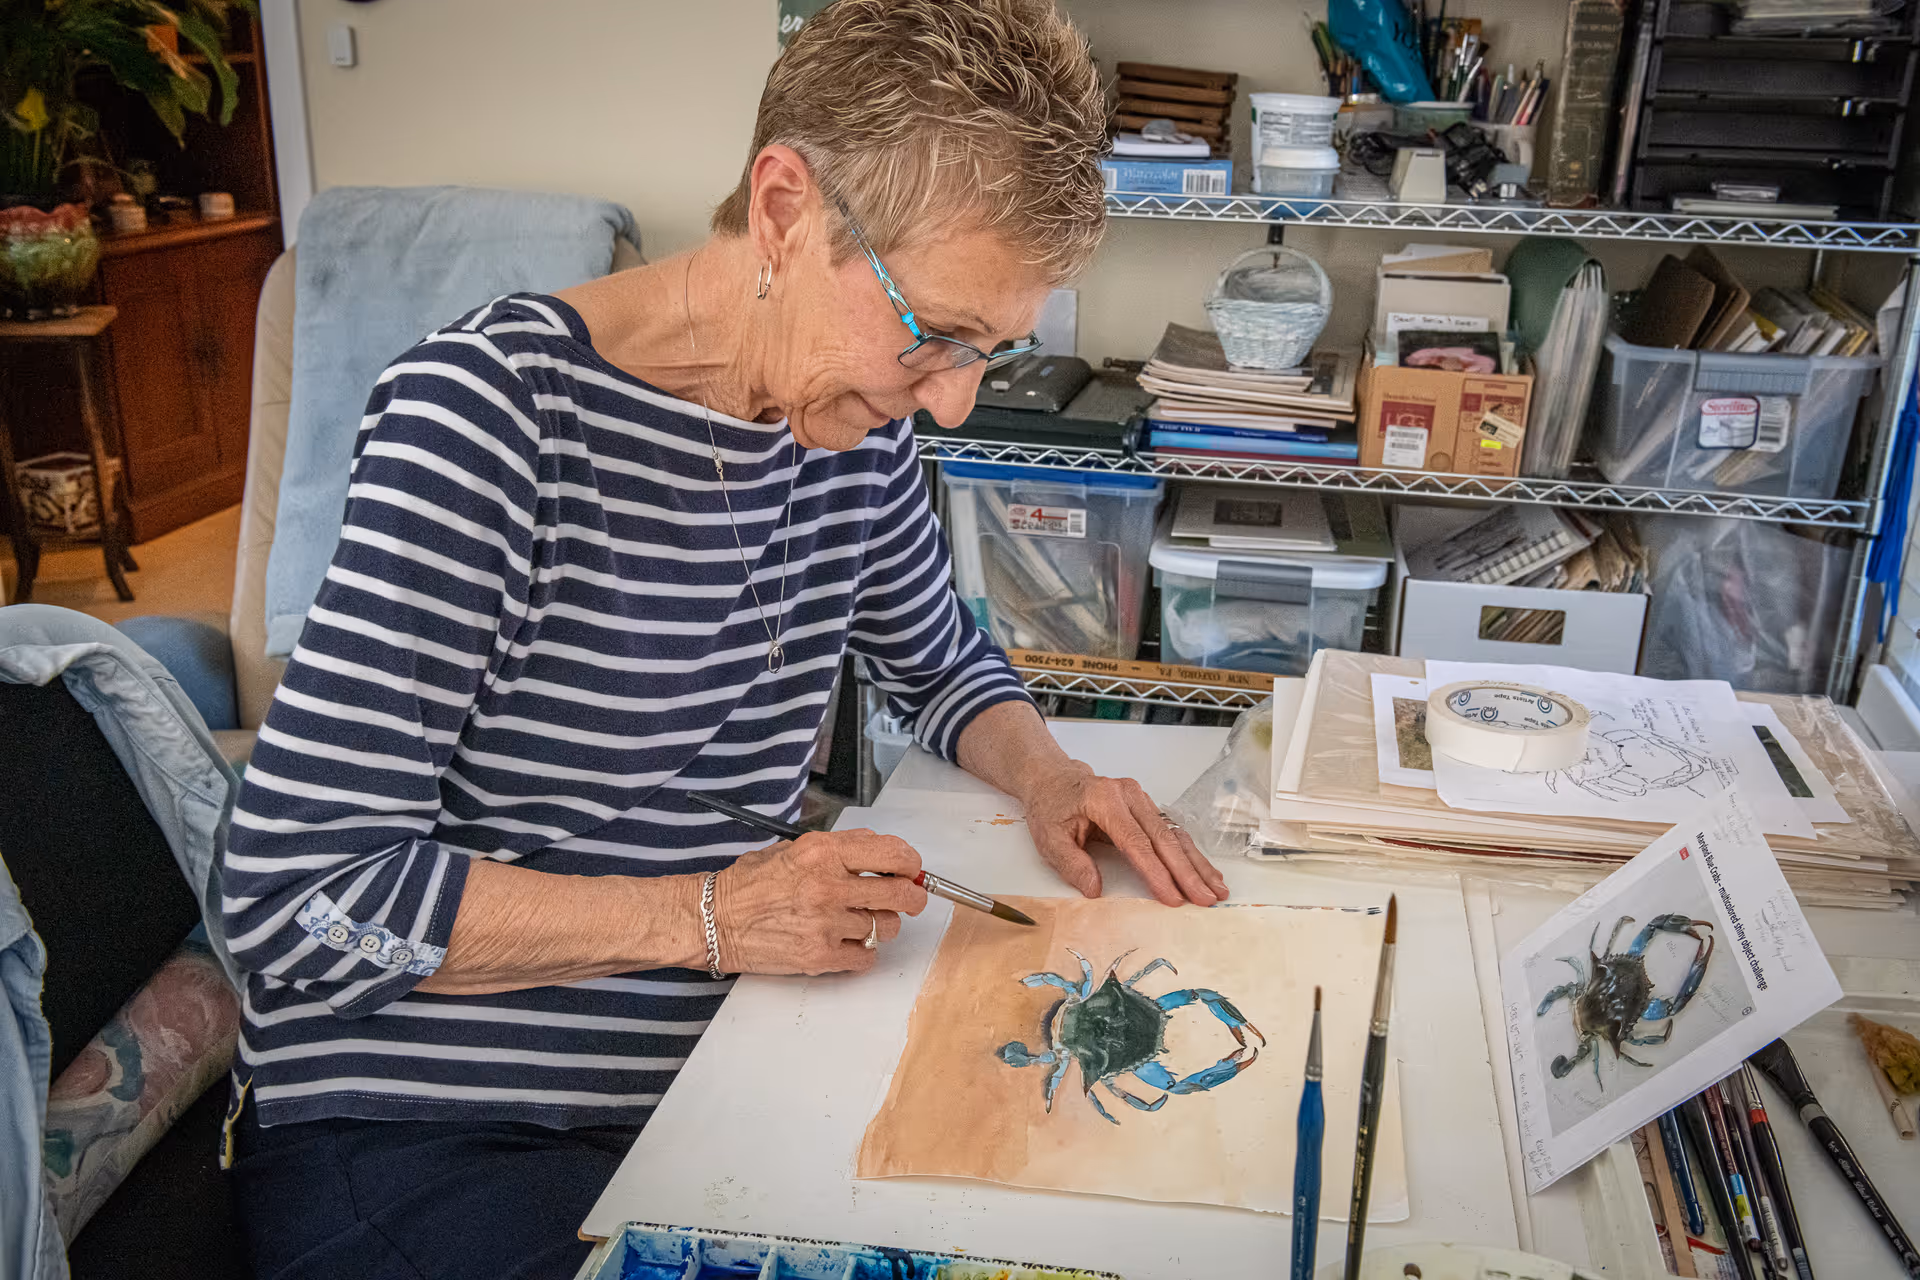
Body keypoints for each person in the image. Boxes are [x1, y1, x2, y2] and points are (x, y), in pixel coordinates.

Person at [221, 1, 1228, 1275]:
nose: (953, 400)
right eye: (935, 333)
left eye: (992, 350)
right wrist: (707, 915)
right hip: (425, 1127)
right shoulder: (488, 420)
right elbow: (294, 896)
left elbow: (941, 664)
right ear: (785, 208)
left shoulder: (855, 430)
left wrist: (1050, 775)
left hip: (710, 1077)